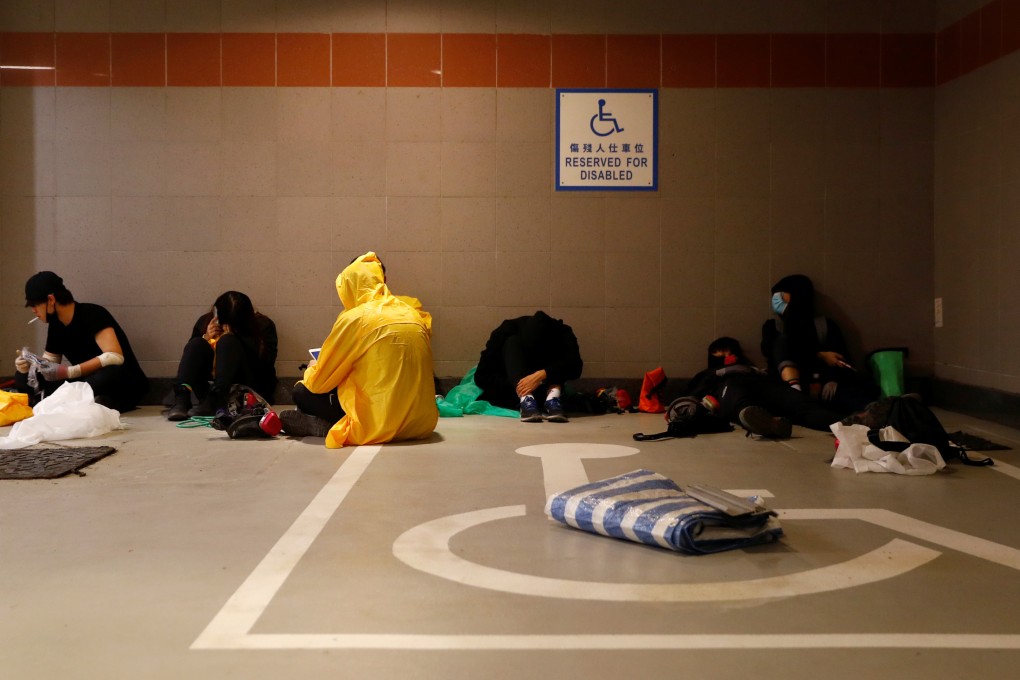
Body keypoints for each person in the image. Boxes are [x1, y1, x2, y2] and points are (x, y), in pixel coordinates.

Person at [278, 252, 438, 448]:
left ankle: (326, 426)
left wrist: (313, 367)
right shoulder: (411, 312)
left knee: (301, 391)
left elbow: (320, 383)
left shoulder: (355, 318)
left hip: (379, 423)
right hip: (421, 424)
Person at [14, 271, 149, 412]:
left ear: (51, 300)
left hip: (121, 382)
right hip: (87, 382)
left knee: (111, 372)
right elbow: (50, 363)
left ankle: (78, 399)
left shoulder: (93, 313)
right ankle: (85, 400)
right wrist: (30, 366)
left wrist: (71, 371)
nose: (33, 311)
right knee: (25, 378)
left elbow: (114, 356)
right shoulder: (56, 325)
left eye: (35, 305)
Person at [761, 274, 876, 416]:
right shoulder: (773, 326)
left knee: (854, 396)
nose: (775, 300)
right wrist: (820, 354)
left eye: (780, 295)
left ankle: (879, 413)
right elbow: (772, 354)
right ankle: (797, 397)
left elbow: (839, 359)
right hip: (787, 386)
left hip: (823, 384)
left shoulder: (824, 325)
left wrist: (831, 380)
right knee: (782, 342)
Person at [685, 336, 843, 438]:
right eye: (721, 354)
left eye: (730, 353)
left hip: (762, 384)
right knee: (739, 397)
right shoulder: (709, 373)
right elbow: (691, 393)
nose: (727, 357)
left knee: (801, 404)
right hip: (729, 387)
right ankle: (763, 421)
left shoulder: (755, 370)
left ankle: (848, 425)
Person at [166, 291, 278, 421]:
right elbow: (191, 359)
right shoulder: (206, 322)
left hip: (246, 387)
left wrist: (237, 338)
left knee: (227, 342)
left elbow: (267, 363)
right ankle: (181, 398)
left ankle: (217, 398)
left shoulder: (263, 325)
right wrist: (206, 337)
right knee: (196, 343)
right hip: (207, 389)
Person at [473, 311, 583, 423]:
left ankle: (552, 399)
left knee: (563, 357)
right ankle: (527, 399)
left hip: (547, 386)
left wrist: (543, 375)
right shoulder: (506, 331)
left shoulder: (562, 332)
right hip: (513, 387)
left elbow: (576, 367)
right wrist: (523, 386)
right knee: (511, 342)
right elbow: (482, 376)